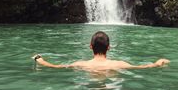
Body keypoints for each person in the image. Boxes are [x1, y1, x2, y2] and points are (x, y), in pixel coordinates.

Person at [33, 31, 170, 71]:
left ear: (90, 46)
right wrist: (159, 62)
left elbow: (55, 67)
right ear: (109, 47)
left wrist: (40, 60)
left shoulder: (81, 64)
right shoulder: (118, 64)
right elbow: (144, 67)